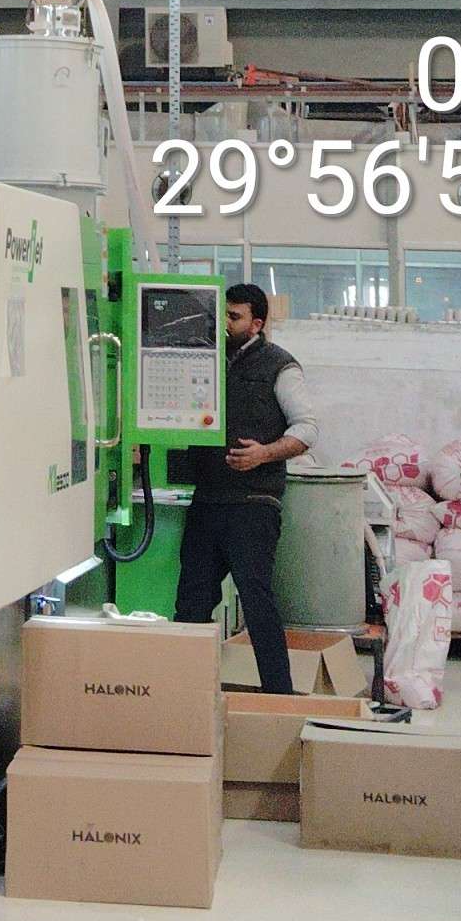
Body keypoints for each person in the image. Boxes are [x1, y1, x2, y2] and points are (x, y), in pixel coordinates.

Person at [169, 283, 322, 695]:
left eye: (234, 317)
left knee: (257, 601)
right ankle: (186, 696)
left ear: (257, 323)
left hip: (253, 504)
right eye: (222, 314)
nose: (224, 323)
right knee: (191, 603)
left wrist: (264, 453)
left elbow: (307, 429)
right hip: (207, 501)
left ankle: (278, 697)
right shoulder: (206, 358)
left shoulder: (280, 366)